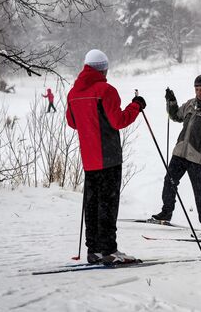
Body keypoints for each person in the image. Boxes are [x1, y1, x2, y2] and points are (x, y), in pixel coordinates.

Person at [66, 49, 146, 265]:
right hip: (109, 156)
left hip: (89, 158)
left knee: (92, 204)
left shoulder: (74, 93)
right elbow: (118, 121)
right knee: (108, 205)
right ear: (104, 69)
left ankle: (94, 249)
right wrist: (136, 106)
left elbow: (72, 122)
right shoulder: (106, 90)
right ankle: (109, 249)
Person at [150, 75, 201, 233]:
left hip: (198, 155)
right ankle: (166, 212)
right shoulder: (190, 104)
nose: (199, 92)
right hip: (181, 150)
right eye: (197, 89)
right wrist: (171, 102)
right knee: (169, 180)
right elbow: (176, 116)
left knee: (200, 189)